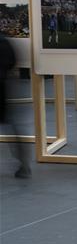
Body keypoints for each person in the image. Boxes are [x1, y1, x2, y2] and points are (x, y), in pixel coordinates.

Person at [1, 34, 30, 178]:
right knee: (11, 125)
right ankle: (23, 163)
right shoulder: (4, 40)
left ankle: (23, 163)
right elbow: (11, 62)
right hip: (3, 86)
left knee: (10, 125)